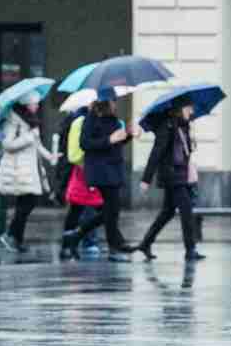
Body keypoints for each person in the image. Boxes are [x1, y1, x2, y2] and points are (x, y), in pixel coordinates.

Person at [62, 88, 140, 262]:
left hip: (114, 168)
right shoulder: (91, 118)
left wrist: (128, 135)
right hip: (100, 170)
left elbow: (116, 143)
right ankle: (115, 248)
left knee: (111, 211)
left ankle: (78, 235)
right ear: (105, 102)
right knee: (111, 211)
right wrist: (109, 140)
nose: (115, 104)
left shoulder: (113, 120)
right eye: (113, 101)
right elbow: (85, 144)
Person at [136, 96, 205, 262]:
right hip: (172, 175)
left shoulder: (184, 126)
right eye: (189, 108)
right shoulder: (166, 126)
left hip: (181, 174)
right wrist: (146, 179)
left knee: (167, 212)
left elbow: (184, 152)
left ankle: (146, 243)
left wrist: (190, 143)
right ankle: (190, 250)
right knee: (186, 210)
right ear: (180, 108)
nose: (192, 111)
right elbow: (156, 153)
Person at [0, 92, 57, 253]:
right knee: (26, 204)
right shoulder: (13, 121)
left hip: (31, 169)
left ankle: (15, 237)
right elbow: (7, 144)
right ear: (26, 104)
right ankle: (11, 236)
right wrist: (27, 139)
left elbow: (37, 145)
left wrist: (50, 156)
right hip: (19, 170)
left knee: (26, 204)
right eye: (34, 103)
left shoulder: (32, 122)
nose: (37, 106)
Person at [59, 102, 104, 261]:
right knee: (79, 209)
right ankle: (71, 243)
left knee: (99, 210)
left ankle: (73, 240)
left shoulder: (102, 120)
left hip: (95, 172)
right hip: (82, 172)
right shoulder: (79, 122)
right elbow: (73, 153)